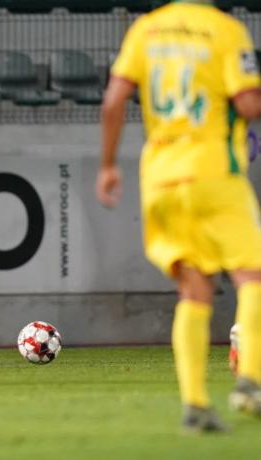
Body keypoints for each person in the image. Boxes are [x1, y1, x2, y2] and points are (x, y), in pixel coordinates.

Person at [97, 0, 261, 432]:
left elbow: (113, 102)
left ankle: (195, 404)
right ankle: (250, 382)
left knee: (193, 291)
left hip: (160, 179)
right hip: (214, 173)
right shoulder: (225, 30)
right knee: (252, 276)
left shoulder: (145, 30)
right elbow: (247, 104)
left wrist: (109, 165)